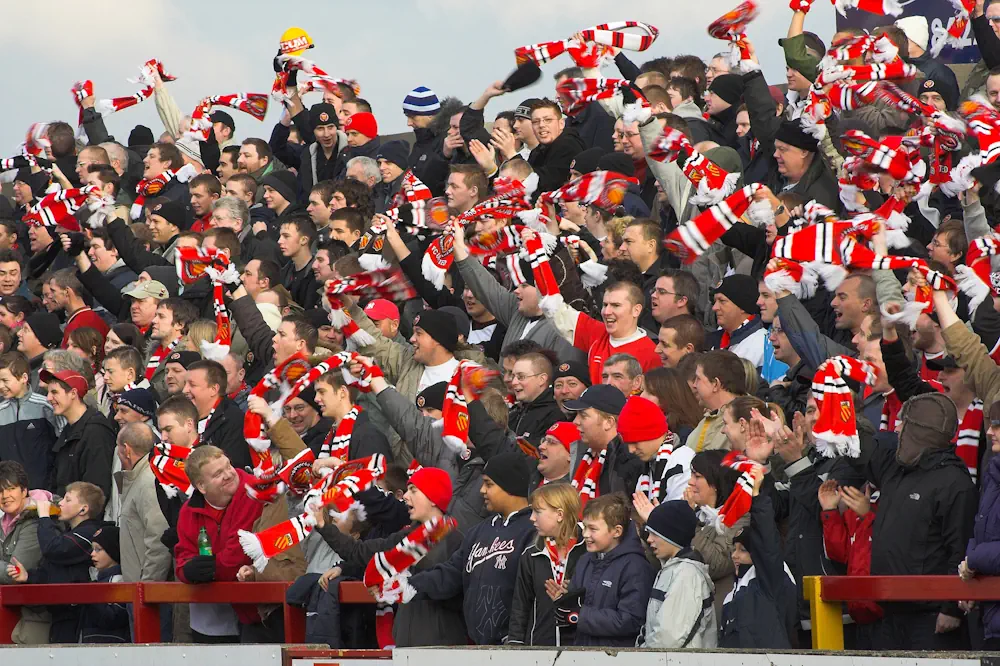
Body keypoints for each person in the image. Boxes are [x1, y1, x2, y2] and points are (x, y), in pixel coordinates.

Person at [861, 392, 976, 650]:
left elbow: (959, 549)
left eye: (904, 423)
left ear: (919, 431)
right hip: (889, 612)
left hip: (931, 618)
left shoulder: (955, 483)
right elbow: (857, 450)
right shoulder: (895, 469)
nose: (897, 429)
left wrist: (951, 609)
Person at [312, 466, 467, 647]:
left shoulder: (455, 540)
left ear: (433, 498)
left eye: (414, 490)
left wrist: (398, 586)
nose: (406, 496)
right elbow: (359, 552)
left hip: (441, 645)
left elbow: (448, 589)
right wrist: (323, 525)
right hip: (404, 642)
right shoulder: (405, 537)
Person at [175, 445, 304, 643]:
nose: (228, 474)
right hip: (227, 613)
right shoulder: (188, 512)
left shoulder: (252, 492)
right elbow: (184, 554)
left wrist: (211, 569)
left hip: (269, 608)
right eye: (218, 473)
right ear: (201, 486)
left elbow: (238, 555)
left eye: (228, 466)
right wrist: (188, 571)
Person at [405, 453, 536, 645]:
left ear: (510, 486)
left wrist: (518, 638)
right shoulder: (479, 531)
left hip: (518, 646)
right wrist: (407, 586)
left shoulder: (533, 530)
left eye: (489, 484)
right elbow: (450, 574)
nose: (482, 490)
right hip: (478, 645)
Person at [553, 493, 653, 647]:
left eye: (593, 529)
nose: (585, 534)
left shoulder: (636, 566)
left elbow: (632, 620)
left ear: (617, 531)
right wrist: (564, 603)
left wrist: (580, 615)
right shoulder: (585, 560)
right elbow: (573, 612)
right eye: (585, 527)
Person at [9, 483, 104, 642]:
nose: (60, 503)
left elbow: (53, 549)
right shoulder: (69, 533)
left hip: (77, 613)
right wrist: (28, 576)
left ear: (83, 509)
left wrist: (44, 517)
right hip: (60, 612)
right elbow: (53, 572)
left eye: (67, 500)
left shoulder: (89, 533)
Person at [720, 466, 799, 648]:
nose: (735, 556)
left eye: (743, 550)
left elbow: (767, 543)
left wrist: (757, 497)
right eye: (735, 549)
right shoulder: (733, 593)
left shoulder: (770, 581)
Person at [508, 483, 586, 646]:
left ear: (559, 514)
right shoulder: (531, 553)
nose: (532, 518)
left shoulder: (588, 549)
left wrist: (574, 593)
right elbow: (520, 606)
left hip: (580, 647)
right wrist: (515, 644)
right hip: (539, 646)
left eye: (538, 511)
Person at [545, 279, 661, 384]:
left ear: (636, 310)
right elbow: (555, 310)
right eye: (605, 305)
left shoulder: (651, 354)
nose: (606, 312)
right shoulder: (596, 331)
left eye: (616, 305)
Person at [639, 500, 717, 648]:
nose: (649, 539)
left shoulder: (687, 575)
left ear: (672, 534)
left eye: (655, 534)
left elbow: (667, 640)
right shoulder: (672, 569)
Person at [42, 368, 116, 502]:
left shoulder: (96, 431)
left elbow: (97, 488)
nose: (48, 398)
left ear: (73, 393)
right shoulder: (68, 430)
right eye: (48, 392)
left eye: (54, 392)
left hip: (84, 518)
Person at [0, 461, 49, 644]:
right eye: (0, 491)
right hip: (11, 610)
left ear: (24, 491)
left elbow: (17, 570)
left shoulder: (35, 520)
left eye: (11, 489)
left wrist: (8, 570)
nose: (5, 496)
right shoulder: (2, 522)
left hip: (37, 614)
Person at [116, 422, 171, 583]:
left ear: (126, 450)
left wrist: (148, 587)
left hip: (147, 594)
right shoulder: (141, 478)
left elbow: (158, 540)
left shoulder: (149, 483)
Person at [0, 351, 63, 490]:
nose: (0, 386)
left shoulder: (45, 406)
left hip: (43, 489)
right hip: (9, 493)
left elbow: (60, 445)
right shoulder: (1, 411)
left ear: (23, 377)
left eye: (5, 380)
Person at [565, 384, 642, 497]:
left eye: (583, 415)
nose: (575, 421)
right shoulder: (581, 454)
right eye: (576, 415)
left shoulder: (629, 462)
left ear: (608, 422)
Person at [619, 395, 693, 506]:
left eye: (635, 442)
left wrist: (652, 517)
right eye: (627, 443)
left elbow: (679, 513)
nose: (631, 450)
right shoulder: (648, 465)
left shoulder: (683, 461)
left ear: (652, 434)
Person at [183, 360, 252, 472]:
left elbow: (233, 472)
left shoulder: (233, 420)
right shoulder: (186, 416)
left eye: (192, 385)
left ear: (214, 389)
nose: (184, 390)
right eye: (185, 384)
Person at [79, 524, 130, 643]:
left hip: (111, 647)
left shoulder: (119, 581)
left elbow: (113, 618)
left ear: (113, 550)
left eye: (98, 549)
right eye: (92, 549)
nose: (92, 554)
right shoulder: (98, 579)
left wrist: (91, 595)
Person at [687, 351, 745, 452]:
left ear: (715, 384)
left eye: (698, 379)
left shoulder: (743, 421)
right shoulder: (710, 417)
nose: (694, 385)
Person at [508, 351, 564, 448]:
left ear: (542, 379)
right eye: (513, 377)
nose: (514, 382)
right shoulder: (515, 411)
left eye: (521, 377)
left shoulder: (555, 415)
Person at [145, 298, 198, 399]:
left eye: (161, 316)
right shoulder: (151, 351)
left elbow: (167, 389)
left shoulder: (187, 353)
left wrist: (140, 393)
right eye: (155, 316)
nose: (154, 321)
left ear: (180, 324)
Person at [709, 275, 766, 368]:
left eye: (722, 301)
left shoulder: (762, 344)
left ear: (742, 306)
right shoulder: (714, 339)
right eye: (715, 301)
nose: (714, 308)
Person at [18, 312, 62, 389]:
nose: (18, 333)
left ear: (40, 339)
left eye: (25, 329)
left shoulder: (47, 372)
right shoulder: (24, 364)